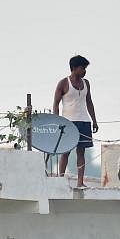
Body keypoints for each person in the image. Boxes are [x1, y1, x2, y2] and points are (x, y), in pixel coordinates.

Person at [52, 55, 99, 184]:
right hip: (68, 121)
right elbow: (56, 103)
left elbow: (89, 102)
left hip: (84, 120)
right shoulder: (63, 83)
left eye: (85, 68)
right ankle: (60, 180)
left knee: (81, 151)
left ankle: (80, 181)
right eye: (82, 68)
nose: (84, 71)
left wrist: (94, 120)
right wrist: (58, 121)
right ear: (74, 68)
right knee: (65, 151)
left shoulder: (86, 83)